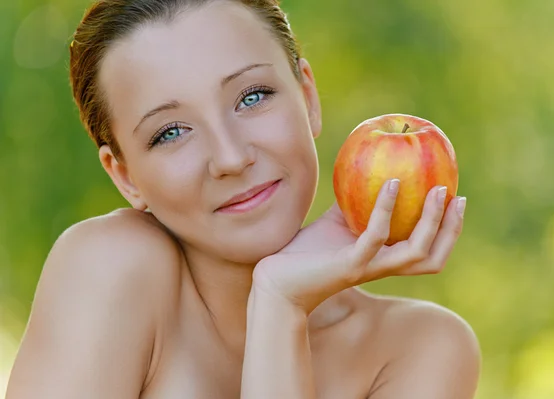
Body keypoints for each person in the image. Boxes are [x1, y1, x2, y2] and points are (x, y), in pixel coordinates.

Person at [6, 0, 481, 398]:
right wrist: (278, 306)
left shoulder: (419, 348)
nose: (230, 157)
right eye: (171, 132)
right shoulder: (111, 266)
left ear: (308, 97)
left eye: (252, 97)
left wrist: (278, 304)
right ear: (125, 176)